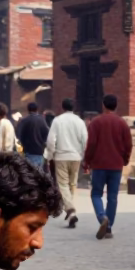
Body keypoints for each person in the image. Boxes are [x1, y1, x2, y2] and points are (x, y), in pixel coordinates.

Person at [83, 94, 133, 240]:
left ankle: (102, 216)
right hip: (116, 165)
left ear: (103, 105)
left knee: (96, 194)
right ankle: (109, 227)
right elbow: (128, 144)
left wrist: (87, 161)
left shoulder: (95, 122)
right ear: (116, 106)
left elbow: (91, 145)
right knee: (112, 196)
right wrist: (125, 159)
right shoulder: (122, 123)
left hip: (99, 164)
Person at [46, 98, 88, 229]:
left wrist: (50, 155)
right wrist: (82, 155)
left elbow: (51, 140)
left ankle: (70, 209)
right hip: (76, 156)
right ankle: (70, 211)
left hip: (61, 156)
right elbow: (85, 140)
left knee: (62, 184)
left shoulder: (57, 121)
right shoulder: (80, 121)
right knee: (72, 183)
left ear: (62, 107)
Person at [17, 102, 49, 168]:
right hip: (39, 152)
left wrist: (23, 143)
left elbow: (19, 134)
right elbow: (47, 133)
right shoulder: (42, 120)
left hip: (28, 151)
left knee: (30, 174)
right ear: (37, 109)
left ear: (28, 109)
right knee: (39, 174)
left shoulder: (24, 120)